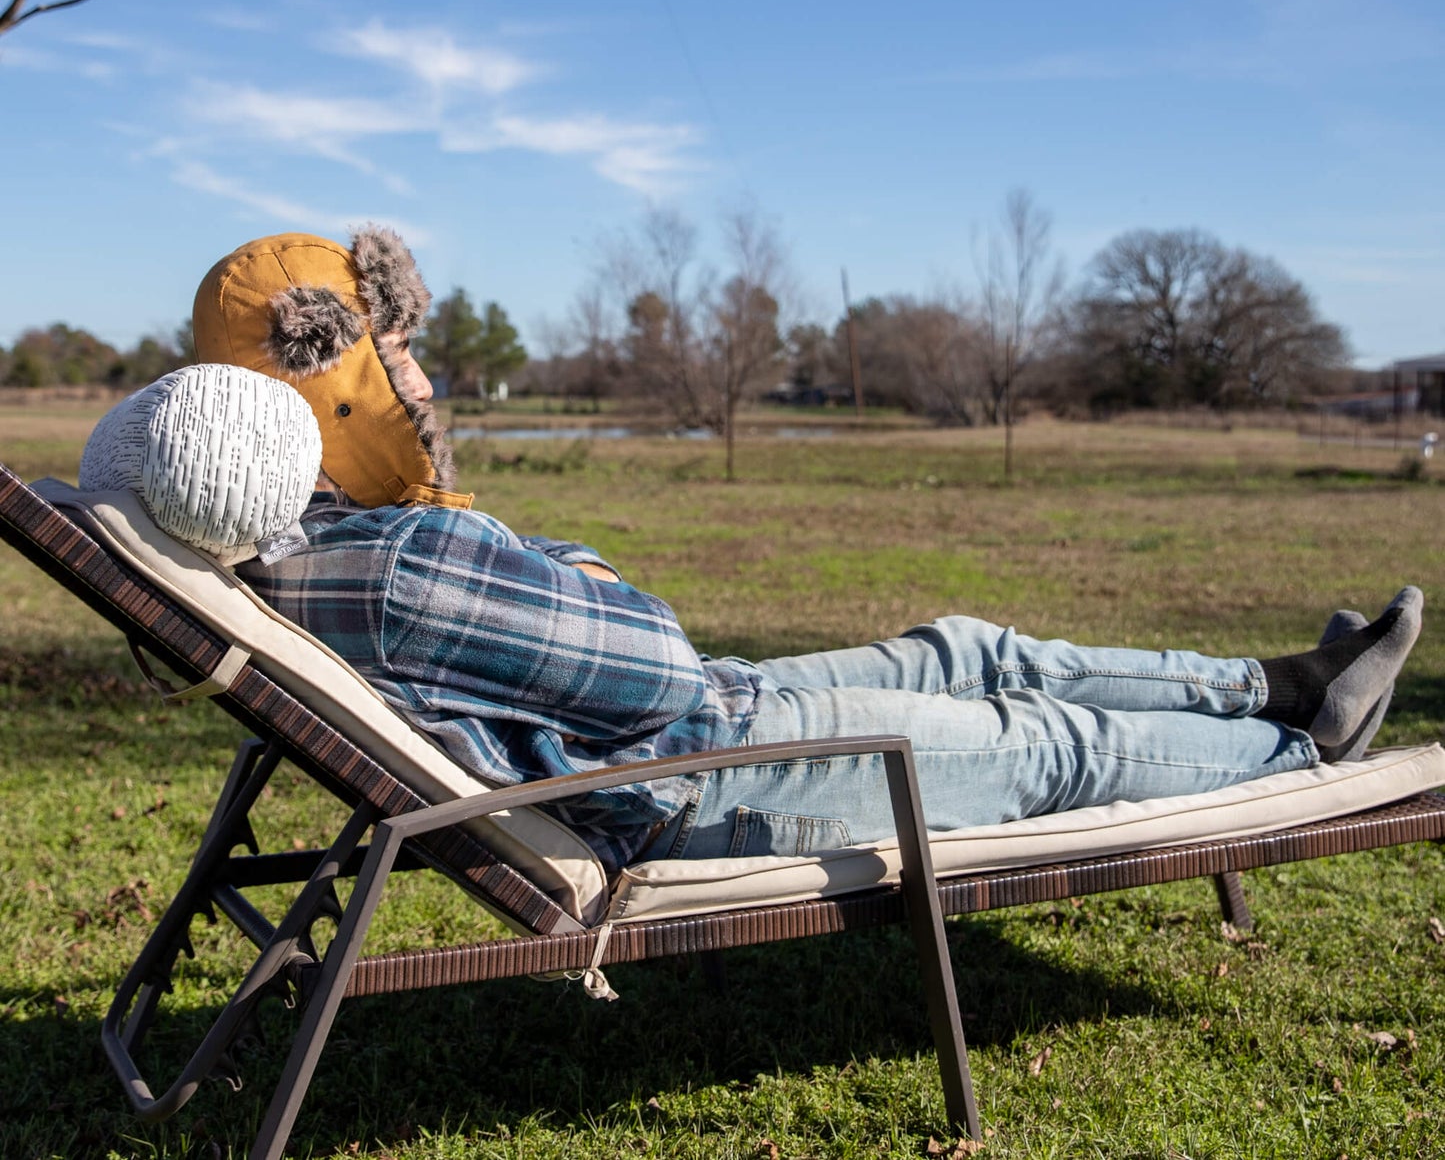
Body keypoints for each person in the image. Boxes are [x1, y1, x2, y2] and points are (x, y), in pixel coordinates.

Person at [193, 229, 1424, 873]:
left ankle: (1274, 683)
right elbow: (656, 666)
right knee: (1040, 743)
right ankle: (1291, 746)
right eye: (394, 350)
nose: (418, 372)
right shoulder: (402, 561)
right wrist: (563, 561)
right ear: (334, 379)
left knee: (968, 646)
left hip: (701, 723)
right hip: (698, 775)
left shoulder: (326, 539)